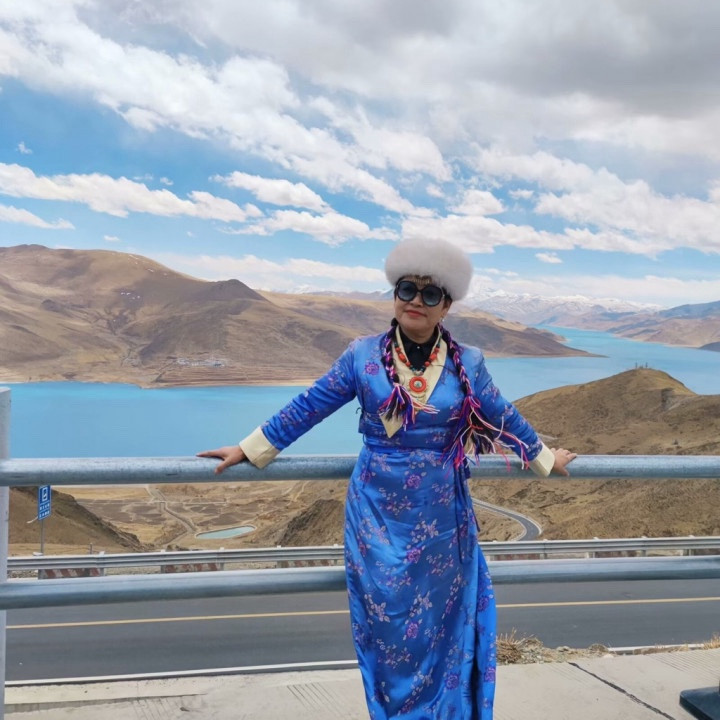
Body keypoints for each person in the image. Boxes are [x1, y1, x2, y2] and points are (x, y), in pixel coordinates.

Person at [198, 238, 576, 720]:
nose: (416, 300)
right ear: (394, 295)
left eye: (430, 293)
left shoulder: (470, 362)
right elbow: (310, 406)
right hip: (376, 515)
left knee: (439, 622)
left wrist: (544, 458)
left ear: (446, 306)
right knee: (388, 623)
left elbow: (503, 416)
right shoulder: (361, 356)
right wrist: (250, 448)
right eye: (406, 289)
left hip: (442, 518)